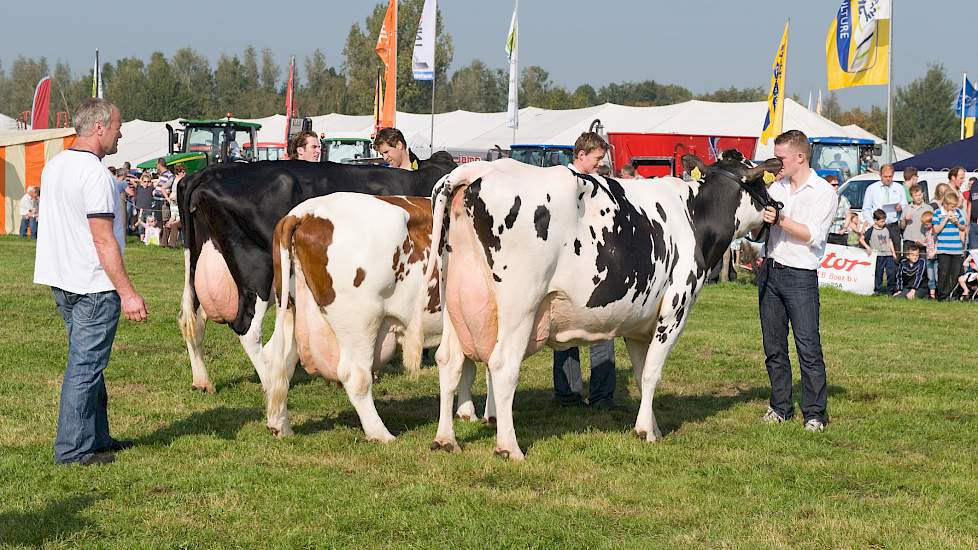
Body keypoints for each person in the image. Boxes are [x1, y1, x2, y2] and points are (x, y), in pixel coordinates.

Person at [33, 98, 148, 466]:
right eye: (117, 126)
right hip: (93, 286)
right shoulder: (95, 175)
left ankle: (96, 437)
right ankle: (73, 451)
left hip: (63, 280)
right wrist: (127, 293)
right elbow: (102, 238)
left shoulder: (55, 166)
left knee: (89, 365)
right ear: (99, 128)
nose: (120, 133)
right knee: (84, 369)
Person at [759, 130, 836, 432]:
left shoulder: (823, 192)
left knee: (808, 346)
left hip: (800, 275)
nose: (776, 164)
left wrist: (779, 220)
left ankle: (815, 413)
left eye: (780, 158)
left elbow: (813, 235)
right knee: (774, 346)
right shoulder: (776, 188)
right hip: (770, 270)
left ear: (800, 157)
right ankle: (780, 406)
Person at [553, 131, 618, 410]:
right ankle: (568, 393)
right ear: (581, 155)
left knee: (603, 326)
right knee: (566, 330)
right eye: (597, 158)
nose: (600, 164)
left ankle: (602, 395)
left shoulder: (599, 183)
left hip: (595, 264)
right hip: (567, 264)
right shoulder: (560, 183)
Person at [860, 164, 907, 254]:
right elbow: (866, 209)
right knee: (878, 254)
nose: (888, 179)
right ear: (880, 175)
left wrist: (900, 208)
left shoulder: (899, 188)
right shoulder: (872, 188)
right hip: (877, 226)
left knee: (895, 253)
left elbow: (905, 206)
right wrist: (873, 224)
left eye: (890, 176)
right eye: (885, 176)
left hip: (893, 226)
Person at [933, 191, 967, 301]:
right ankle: (942, 296)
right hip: (943, 249)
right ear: (946, 204)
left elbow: (963, 228)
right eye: (951, 206)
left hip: (956, 249)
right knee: (943, 273)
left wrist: (957, 223)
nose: (953, 208)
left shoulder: (958, 212)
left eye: (954, 206)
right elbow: (936, 230)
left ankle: (953, 295)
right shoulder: (937, 213)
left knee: (954, 274)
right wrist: (946, 218)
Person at [860, 209, 897, 295]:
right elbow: (861, 240)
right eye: (881, 221)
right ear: (875, 221)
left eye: (884, 221)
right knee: (878, 273)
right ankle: (878, 290)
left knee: (891, 272)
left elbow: (889, 240)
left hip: (888, 254)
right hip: (878, 255)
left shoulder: (887, 228)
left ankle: (890, 290)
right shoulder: (871, 230)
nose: (883, 223)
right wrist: (868, 248)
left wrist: (893, 252)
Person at [899, 184, 933, 250]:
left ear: (922, 194)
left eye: (920, 195)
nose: (918, 197)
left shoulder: (929, 208)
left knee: (922, 260)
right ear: (911, 197)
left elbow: (933, 225)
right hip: (909, 240)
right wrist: (904, 219)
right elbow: (902, 227)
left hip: (923, 241)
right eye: (916, 196)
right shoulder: (907, 208)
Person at [825, 175, 850, 245]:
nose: (836, 186)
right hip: (827, 232)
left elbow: (848, 215)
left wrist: (844, 228)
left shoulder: (843, 199)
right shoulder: (823, 199)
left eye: (837, 184)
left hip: (840, 232)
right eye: (833, 185)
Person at [920, 211, 938, 299]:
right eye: (924, 224)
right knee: (930, 276)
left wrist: (935, 252)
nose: (925, 226)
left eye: (926, 224)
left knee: (937, 275)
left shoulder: (935, 231)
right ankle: (932, 294)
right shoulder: (927, 232)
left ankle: (939, 292)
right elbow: (927, 243)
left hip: (935, 257)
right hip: (929, 257)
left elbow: (938, 243)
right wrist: (921, 243)